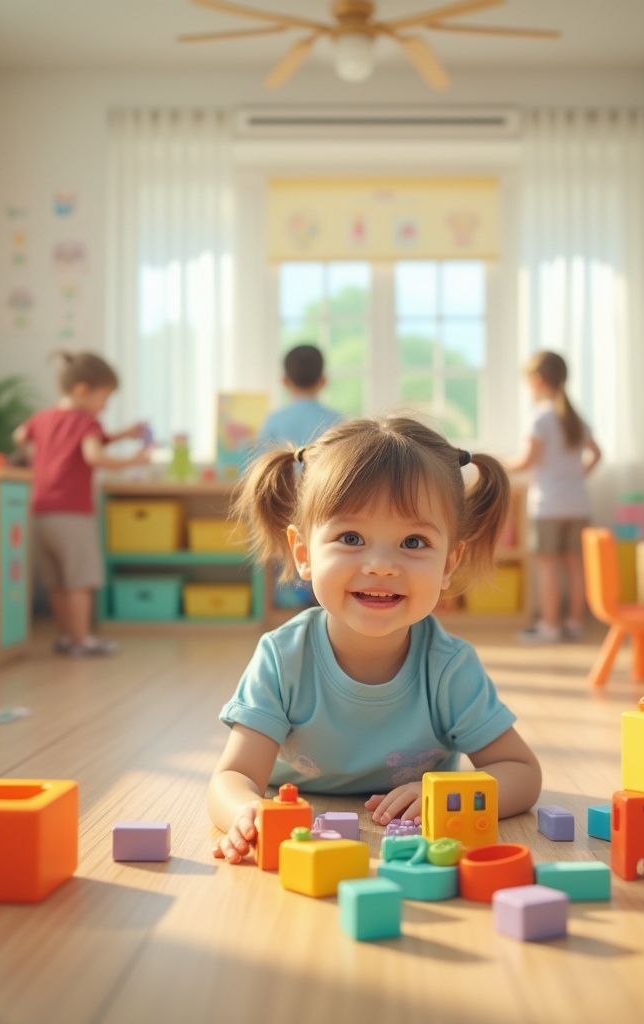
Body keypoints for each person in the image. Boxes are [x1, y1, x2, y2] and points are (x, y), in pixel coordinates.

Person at [210, 416, 543, 864]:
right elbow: (232, 776)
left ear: (449, 563)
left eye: (413, 541)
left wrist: (442, 797)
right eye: (352, 538)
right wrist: (245, 810)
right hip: (301, 811)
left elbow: (521, 772)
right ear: (304, 554)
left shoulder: (449, 667)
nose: (382, 565)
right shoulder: (282, 656)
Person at [13, 350, 151, 657]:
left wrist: (41, 454)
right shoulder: (87, 423)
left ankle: (66, 636)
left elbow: (19, 436)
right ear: (82, 391)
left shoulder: (43, 418)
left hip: (40, 512)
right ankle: (82, 639)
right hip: (72, 513)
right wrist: (133, 459)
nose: (105, 406)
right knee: (79, 579)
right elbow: (93, 455)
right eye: (105, 398)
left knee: (57, 582)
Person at [504, 351, 601, 644]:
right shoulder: (575, 418)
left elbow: (526, 462)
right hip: (577, 503)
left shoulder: (540, 417)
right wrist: (576, 477)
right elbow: (597, 454)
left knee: (547, 565)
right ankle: (574, 623)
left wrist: (495, 465)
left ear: (536, 380)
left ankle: (550, 626)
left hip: (548, 505)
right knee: (574, 565)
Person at [257, 344, 343, 450]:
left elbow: (262, 462)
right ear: (323, 381)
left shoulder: (274, 421)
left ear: (285, 381)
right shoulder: (337, 421)